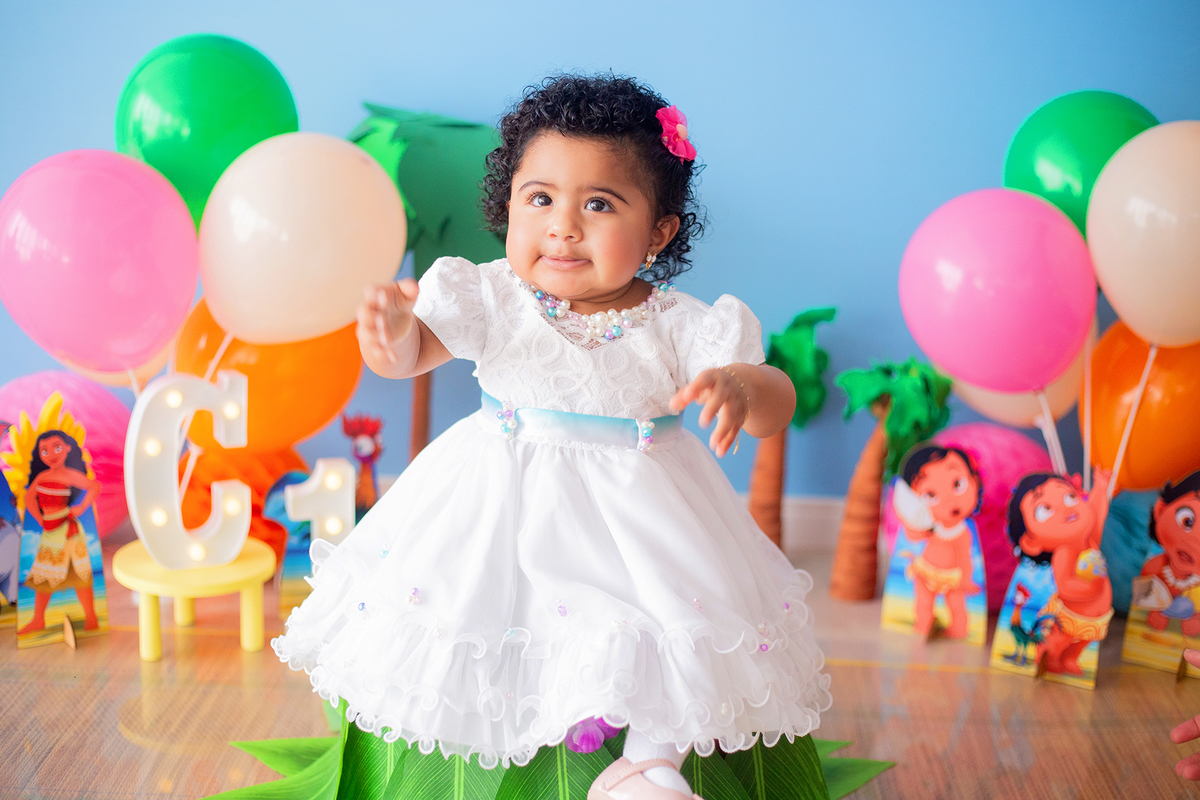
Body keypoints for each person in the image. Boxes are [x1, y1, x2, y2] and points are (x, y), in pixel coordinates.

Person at [273, 75, 830, 800]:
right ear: (508, 206)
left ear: (658, 230)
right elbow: (411, 356)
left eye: (598, 204)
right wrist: (390, 335)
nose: (563, 226)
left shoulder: (682, 321)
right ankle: (513, 760)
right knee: (493, 620)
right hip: (501, 500)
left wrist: (743, 388)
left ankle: (649, 760)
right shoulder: (493, 296)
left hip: (644, 513)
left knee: (665, 626)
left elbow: (775, 401)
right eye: (540, 199)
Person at [1006, 469, 1113, 676]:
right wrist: (1092, 587)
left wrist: (1101, 487)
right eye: (1045, 509)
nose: (1065, 508)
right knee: (1059, 639)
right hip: (1069, 616)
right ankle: (1048, 656)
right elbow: (1065, 585)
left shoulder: (1089, 541)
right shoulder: (1065, 552)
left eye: (1070, 496)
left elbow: (1097, 514)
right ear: (1031, 541)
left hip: (1094, 617)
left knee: (1083, 641)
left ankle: (1070, 659)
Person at [891, 445, 983, 639]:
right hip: (926, 571)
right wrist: (911, 519)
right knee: (923, 603)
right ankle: (923, 624)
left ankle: (959, 629)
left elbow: (965, 557)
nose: (949, 500)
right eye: (930, 495)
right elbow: (914, 536)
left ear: (974, 482)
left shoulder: (963, 533)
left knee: (957, 605)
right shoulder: (929, 526)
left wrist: (966, 579)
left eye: (958, 484)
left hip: (952, 577)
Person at [17, 430, 100, 634]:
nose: (51, 454)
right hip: (49, 530)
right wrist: (39, 517)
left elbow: (94, 486)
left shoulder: (69, 475)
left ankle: (91, 616)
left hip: (68, 529)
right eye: (44, 450)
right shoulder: (43, 477)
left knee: (80, 574)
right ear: (39, 454)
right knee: (44, 575)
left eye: (57, 447)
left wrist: (81, 507)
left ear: (68, 449)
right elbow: (29, 498)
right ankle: (38, 619)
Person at [1138, 471, 1200, 635]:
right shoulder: (1154, 566)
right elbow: (1141, 601)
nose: (1194, 542)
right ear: (1161, 509)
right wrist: (1154, 611)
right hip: (1145, 642)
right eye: (1187, 521)